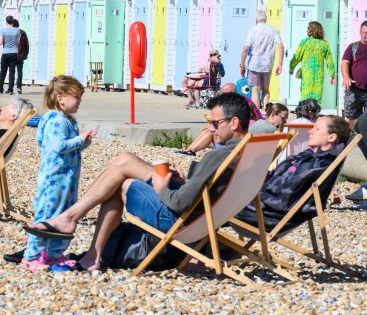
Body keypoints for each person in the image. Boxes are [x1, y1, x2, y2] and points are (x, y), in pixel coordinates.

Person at [23, 93, 250, 272]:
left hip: (181, 221)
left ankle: (81, 237)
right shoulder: (248, 152)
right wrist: (183, 181)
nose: (209, 128)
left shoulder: (219, 156)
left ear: (234, 123)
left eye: (215, 123)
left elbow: (180, 203)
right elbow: (206, 192)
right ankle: (76, 229)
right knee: (124, 161)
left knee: (121, 182)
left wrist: (162, 187)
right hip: (206, 218)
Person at [22, 76, 96, 271]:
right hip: (53, 178)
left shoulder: (69, 120)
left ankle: (54, 254)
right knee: (47, 214)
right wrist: (79, 139)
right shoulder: (56, 120)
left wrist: (83, 141)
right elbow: (59, 146)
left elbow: (71, 149)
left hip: (68, 178)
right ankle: (31, 256)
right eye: (76, 97)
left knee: (64, 215)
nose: (79, 101)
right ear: (60, 98)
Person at [233, 115, 352, 228]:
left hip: (267, 215)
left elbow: (283, 196)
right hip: (264, 207)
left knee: (217, 206)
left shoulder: (320, 164)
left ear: (332, 137)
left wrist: (247, 192)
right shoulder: (312, 156)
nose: (310, 131)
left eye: (317, 128)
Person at [239, 10, 284, 108]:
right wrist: (280, 64)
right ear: (266, 18)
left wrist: (242, 64)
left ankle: (257, 115)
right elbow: (280, 46)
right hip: (268, 64)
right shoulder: (274, 29)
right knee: (266, 89)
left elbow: (246, 49)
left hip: (254, 64)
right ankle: (267, 113)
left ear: (256, 19)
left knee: (255, 90)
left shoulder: (252, 30)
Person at [289, 21, 335, 105]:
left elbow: (297, 57)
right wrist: (332, 75)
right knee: (316, 96)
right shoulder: (325, 44)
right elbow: (329, 61)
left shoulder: (305, 42)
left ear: (310, 30)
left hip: (307, 73)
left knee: (306, 94)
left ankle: (305, 112)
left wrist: (291, 68)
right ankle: (314, 113)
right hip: (319, 75)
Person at [0, 15, 20, 95]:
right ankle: (10, 90)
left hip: (5, 53)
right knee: (12, 72)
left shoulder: (3, 30)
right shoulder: (17, 31)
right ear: (12, 21)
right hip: (14, 53)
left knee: (3, 71)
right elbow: (18, 42)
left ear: (6, 21)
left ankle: (0, 89)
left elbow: (0, 42)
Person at [13, 19, 28, 95]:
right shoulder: (22, 32)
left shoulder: (11, 32)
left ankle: (10, 88)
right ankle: (19, 88)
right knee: (19, 72)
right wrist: (26, 54)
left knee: (11, 71)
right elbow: (26, 44)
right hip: (21, 55)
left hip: (12, 54)